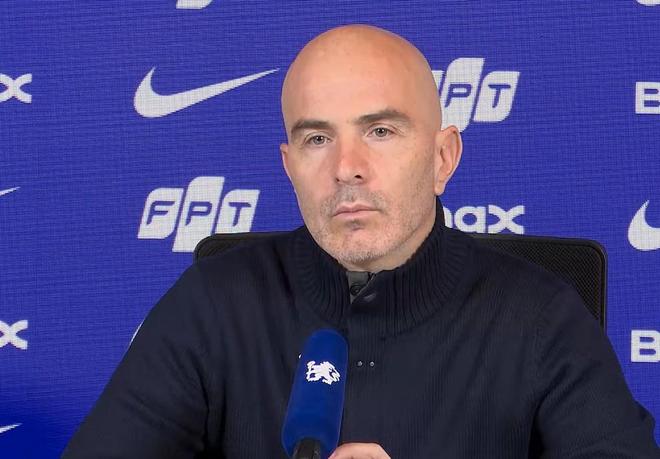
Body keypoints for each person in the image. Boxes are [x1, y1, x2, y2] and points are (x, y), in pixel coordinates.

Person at [63, 25, 659, 458]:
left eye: (380, 131)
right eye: (317, 139)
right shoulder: (213, 303)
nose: (347, 167)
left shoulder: (541, 316)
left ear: (442, 158)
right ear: (289, 167)